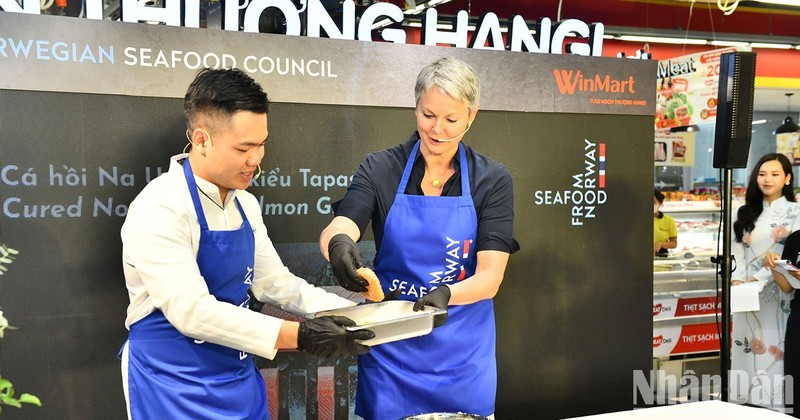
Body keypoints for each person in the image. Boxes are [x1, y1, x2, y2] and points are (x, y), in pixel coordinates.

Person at [118, 68, 373, 419]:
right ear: (202, 140)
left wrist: (360, 314)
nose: (256, 159)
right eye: (244, 147)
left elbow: (275, 283)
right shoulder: (160, 206)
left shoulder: (245, 204)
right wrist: (300, 336)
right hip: (173, 384)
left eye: (262, 143)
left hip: (237, 376)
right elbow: (192, 312)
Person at [319, 56, 519, 419]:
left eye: (451, 119)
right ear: (415, 108)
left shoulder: (493, 180)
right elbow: (343, 223)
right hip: (392, 351)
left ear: (472, 115)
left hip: (461, 354)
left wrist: (445, 293)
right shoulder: (381, 167)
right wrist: (339, 246)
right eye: (428, 115)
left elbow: (491, 276)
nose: (437, 129)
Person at [730, 153, 800, 410]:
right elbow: (736, 250)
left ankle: (776, 407)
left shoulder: (796, 212)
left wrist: (757, 279)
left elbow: (790, 254)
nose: (767, 179)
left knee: (774, 348)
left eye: (774, 174)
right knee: (746, 347)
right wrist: (738, 280)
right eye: (762, 174)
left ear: (787, 178)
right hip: (745, 293)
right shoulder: (746, 211)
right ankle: (743, 405)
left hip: (778, 290)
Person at [653, 189, 678, 256]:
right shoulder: (638, 220)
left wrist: (661, 244)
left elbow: (674, 243)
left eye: (654, 202)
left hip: (661, 255)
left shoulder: (669, 220)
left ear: (660, 203)